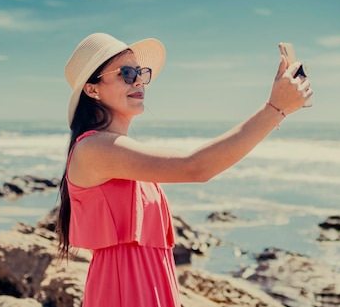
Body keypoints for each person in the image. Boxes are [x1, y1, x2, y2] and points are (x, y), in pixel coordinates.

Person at [56, 32, 313, 307]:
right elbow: (195, 167)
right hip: (123, 294)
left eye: (141, 72)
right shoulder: (95, 148)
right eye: (127, 73)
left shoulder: (119, 152)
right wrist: (275, 109)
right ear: (92, 88)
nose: (139, 80)